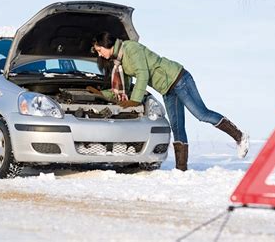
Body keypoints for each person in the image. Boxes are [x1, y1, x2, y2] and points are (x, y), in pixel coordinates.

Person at [87, 32, 249, 171]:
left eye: (100, 50)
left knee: (201, 114)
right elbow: (126, 88)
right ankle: (181, 169)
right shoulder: (119, 63)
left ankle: (240, 136)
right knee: (177, 126)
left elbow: (143, 74)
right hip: (167, 89)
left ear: (107, 44)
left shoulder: (131, 48)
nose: (100, 54)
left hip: (178, 79)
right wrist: (102, 94)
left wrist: (135, 101)